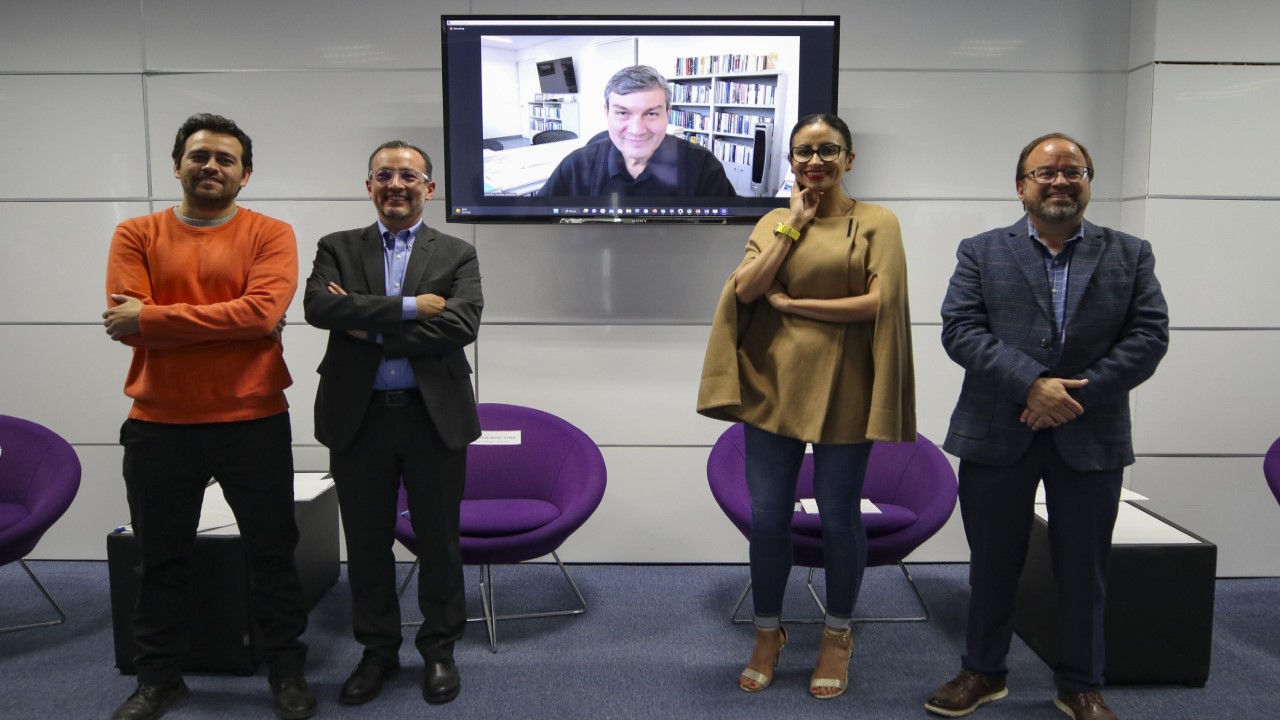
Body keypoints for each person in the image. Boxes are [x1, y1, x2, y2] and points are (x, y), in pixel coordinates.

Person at [925, 133, 1169, 720]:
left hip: (1090, 433)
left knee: (1084, 569)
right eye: (1046, 172)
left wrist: (1070, 396)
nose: (1060, 181)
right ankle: (983, 672)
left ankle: (1080, 685)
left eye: (1073, 171)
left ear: (1088, 183)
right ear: (1021, 186)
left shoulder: (1130, 253)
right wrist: (1032, 383)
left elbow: (1148, 337)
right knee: (992, 565)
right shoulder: (981, 251)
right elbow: (960, 329)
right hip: (996, 430)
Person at [102, 113, 315, 720]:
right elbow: (125, 326)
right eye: (199, 156)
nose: (211, 166)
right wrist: (234, 321)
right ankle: (159, 679)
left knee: (272, 553)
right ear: (177, 166)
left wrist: (155, 318)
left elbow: (260, 313)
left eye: (225, 159)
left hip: (253, 418)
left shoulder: (270, 233)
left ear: (245, 175)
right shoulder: (135, 234)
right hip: (159, 423)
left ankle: (287, 672)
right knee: (160, 557)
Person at [698, 114, 916, 699]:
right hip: (773, 385)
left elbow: (881, 302)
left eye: (828, 150)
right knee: (769, 516)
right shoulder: (774, 220)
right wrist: (792, 226)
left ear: (849, 158)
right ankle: (768, 632)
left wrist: (795, 306)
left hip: (847, 384)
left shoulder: (878, 221)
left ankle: (837, 634)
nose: (815, 162)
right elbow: (746, 290)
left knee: (840, 515)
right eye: (803, 152)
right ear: (790, 160)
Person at [303, 140, 483, 707]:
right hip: (359, 419)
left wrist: (365, 322)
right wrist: (411, 308)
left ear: (429, 188)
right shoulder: (337, 247)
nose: (396, 185)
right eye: (384, 175)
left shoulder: (456, 253)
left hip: (433, 419)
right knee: (366, 544)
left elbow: (460, 326)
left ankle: (439, 649)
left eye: (408, 176)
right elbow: (320, 309)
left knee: (439, 542)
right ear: (369, 186)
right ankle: (377, 651)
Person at [536, 65, 739, 198]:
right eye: (623, 113)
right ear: (607, 112)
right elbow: (538, 225)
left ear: (667, 113)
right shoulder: (575, 166)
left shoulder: (704, 167)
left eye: (651, 114)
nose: (637, 130)